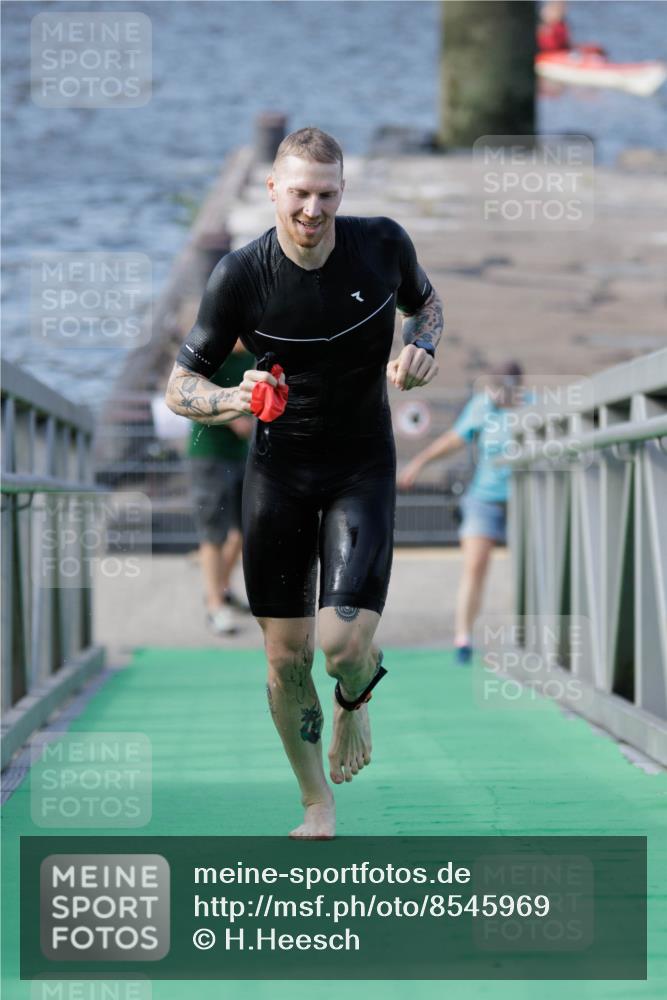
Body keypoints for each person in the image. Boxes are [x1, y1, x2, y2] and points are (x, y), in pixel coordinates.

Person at [165, 126, 443, 839]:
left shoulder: (381, 244)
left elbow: (427, 307)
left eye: (324, 194)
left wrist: (421, 347)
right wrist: (232, 396)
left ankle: (355, 694)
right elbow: (179, 385)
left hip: (361, 466)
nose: (312, 210)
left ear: (340, 191)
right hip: (278, 474)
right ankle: (315, 800)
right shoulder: (240, 274)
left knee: (341, 645)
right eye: (298, 194)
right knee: (285, 657)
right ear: (273, 192)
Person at [398, 361, 523, 665]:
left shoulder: (531, 409)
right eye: (493, 387)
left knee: (528, 572)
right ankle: (464, 638)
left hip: (524, 501)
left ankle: (525, 641)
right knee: (475, 567)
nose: (497, 393)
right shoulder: (482, 407)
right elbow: (454, 439)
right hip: (484, 499)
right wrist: (419, 463)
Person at [186, 338, 254, 635]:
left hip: (242, 455)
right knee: (213, 532)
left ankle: (221, 590)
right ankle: (215, 606)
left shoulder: (253, 352)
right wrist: (231, 418)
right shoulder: (213, 349)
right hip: (209, 455)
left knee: (243, 530)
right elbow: (190, 392)